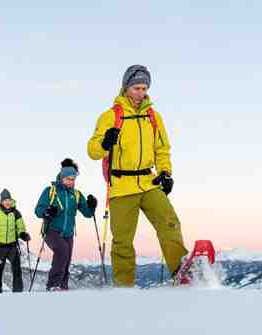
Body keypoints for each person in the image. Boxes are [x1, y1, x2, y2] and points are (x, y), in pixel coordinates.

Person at [87, 65, 188, 286]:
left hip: (148, 181)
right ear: (126, 88)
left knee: (169, 222)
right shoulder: (110, 116)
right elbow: (93, 150)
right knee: (123, 240)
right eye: (136, 88)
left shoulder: (153, 116)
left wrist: (165, 173)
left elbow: (162, 148)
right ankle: (124, 288)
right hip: (122, 185)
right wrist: (105, 143)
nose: (141, 93)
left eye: (144, 88)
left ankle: (182, 273)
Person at [35, 158, 98, 291]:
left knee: (66, 259)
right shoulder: (50, 191)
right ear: (62, 177)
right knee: (62, 251)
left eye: (73, 179)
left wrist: (92, 206)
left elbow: (87, 213)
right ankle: (53, 285)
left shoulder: (76, 194)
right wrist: (47, 212)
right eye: (68, 179)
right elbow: (38, 210)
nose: (71, 182)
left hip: (68, 233)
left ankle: (63, 286)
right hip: (51, 230)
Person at [0, 189, 30, 293]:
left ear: (11, 201)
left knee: (17, 270)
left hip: (12, 247)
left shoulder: (16, 213)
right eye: (5, 200)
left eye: (8, 200)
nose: (7, 202)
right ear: (1, 202)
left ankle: (18, 292)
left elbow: (20, 227)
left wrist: (23, 234)